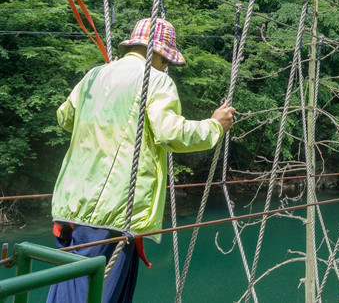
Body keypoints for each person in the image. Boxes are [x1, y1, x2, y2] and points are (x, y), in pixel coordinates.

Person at [47, 18, 236, 303]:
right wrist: (214, 125)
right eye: (167, 61)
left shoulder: (94, 75)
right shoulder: (156, 80)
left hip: (70, 206)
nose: (166, 67)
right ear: (158, 53)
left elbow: (65, 117)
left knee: (66, 292)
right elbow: (170, 132)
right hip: (113, 212)